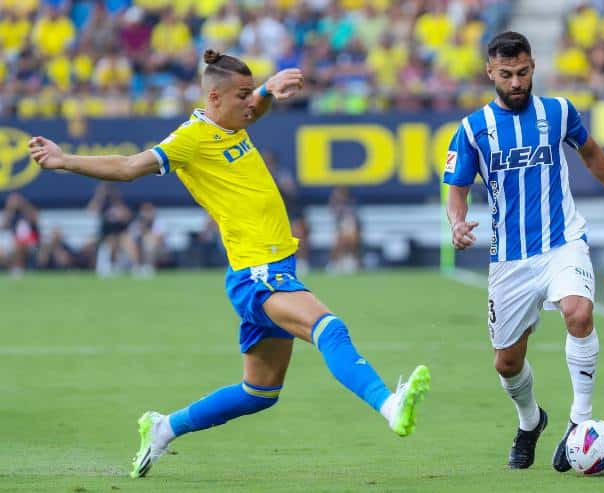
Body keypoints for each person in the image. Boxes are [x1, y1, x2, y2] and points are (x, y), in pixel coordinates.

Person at [28, 48, 430, 479]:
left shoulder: (233, 122)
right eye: (242, 96)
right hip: (259, 274)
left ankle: (162, 428)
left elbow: (254, 106)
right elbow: (129, 166)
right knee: (328, 327)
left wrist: (268, 90)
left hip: (269, 270)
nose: (250, 104)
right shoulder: (190, 140)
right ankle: (389, 404)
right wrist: (64, 160)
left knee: (259, 393)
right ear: (214, 98)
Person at [443, 32, 604, 471]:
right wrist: (456, 222)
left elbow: (591, 153)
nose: (516, 83)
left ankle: (579, 425)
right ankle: (531, 422)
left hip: (563, 242)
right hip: (510, 259)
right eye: (507, 74)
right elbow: (456, 190)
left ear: (533, 68)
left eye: (524, 73)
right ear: (489, 72)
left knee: (580, 313)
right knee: (507, 362)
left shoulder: (559, 111)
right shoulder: (473, 129)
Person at [86, 182, 142, 277]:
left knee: (127, 240)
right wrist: (99, 196)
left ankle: (137, 267)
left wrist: (121, 213)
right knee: (111, 241)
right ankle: (110, 266)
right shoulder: (102, 205)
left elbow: (129, 218)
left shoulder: (121, 204)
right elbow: (90, 212)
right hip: (105, 234)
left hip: (121, 234)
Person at [1, 192, 41, 278]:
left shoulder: (28, 211)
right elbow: (3, 226)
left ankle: (18, 269)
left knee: (20, 246)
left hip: (34, 246)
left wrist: (24, 205)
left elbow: (34, 219)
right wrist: (9, 209)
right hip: (15, 244)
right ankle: (12, 269)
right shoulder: (12, 215)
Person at [327, 186, 362, 274]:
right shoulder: (336, 206)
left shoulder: (352, 206)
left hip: (352, 232)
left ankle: (349, 259)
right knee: (341, 237)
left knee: (350, 236)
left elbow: (355, 225)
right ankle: (336, 262)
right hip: (339, 232)